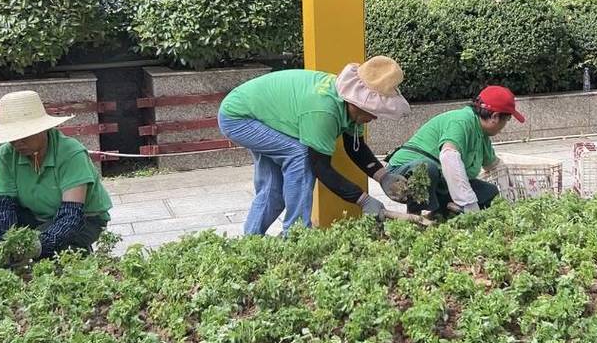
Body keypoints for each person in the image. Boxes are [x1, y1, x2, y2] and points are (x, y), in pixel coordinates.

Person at [218, 56, 412, 235]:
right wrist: (363, 200)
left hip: (257, 115)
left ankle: (251, 240)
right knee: (300, 156)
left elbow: (356, 149)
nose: (374, 117)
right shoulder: (324, 110)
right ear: (356, 101)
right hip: (239, 117)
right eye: (372, 110)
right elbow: (320, 167)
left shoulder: (351, 110)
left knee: (273, 190)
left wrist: (383, 177)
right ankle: (296, 234)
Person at [0, 90, 112, 259]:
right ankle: (11, 262)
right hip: (36, 216)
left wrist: (36, 246)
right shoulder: (6, 154)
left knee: (36, 249)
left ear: (43, 129)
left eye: (24, 135)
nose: (17, 142)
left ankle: (76, 250)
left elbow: (72, 215)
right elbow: (4, 207)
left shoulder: (71, 153)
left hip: (83, 220)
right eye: (12, 137)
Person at [385, 86, 523, 216]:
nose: (505, 125)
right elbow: (449, 157)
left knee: (489, 192)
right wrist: (468, 202)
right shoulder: (461, 121)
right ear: (495, 117)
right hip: (399, 176)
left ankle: (439, 216)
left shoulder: (482, 135)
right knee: (427, 168)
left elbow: (494, 165)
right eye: (507, 119)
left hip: (440, 182)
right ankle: (415, 216)